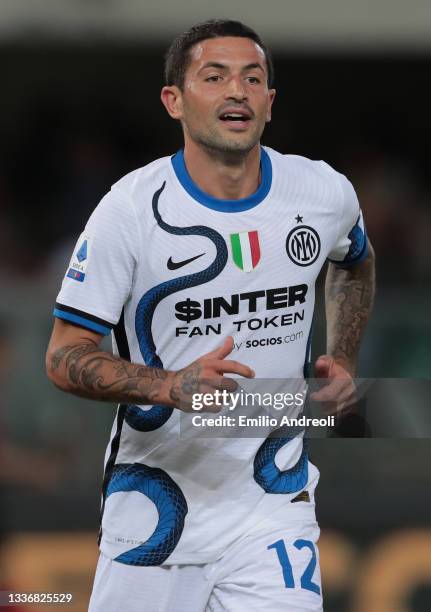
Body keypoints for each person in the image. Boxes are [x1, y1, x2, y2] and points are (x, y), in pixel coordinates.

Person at [46, 19, 375, 612]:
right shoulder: (129, 211)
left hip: (273, 505)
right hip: (155, 514)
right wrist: (171, 385)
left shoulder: (321, 192)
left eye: (253, 79)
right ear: (174, 100)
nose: (237, 91)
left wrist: (343, 356)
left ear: (269, 103)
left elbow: (355, 261)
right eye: (214, 76)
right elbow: (65, 356)